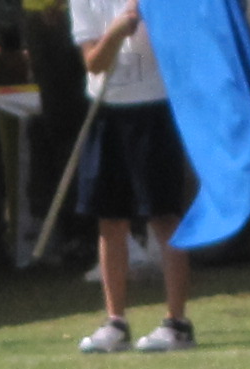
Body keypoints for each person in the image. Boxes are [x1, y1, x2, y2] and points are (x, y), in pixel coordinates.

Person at [69, 0, 194, 350]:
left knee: (164, 216)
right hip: (107, 110)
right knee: (110, 220)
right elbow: (94, 63)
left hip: (155, 108)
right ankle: (116, 321)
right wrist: (116, 31)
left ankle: (177, 323)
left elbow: (187, 43)